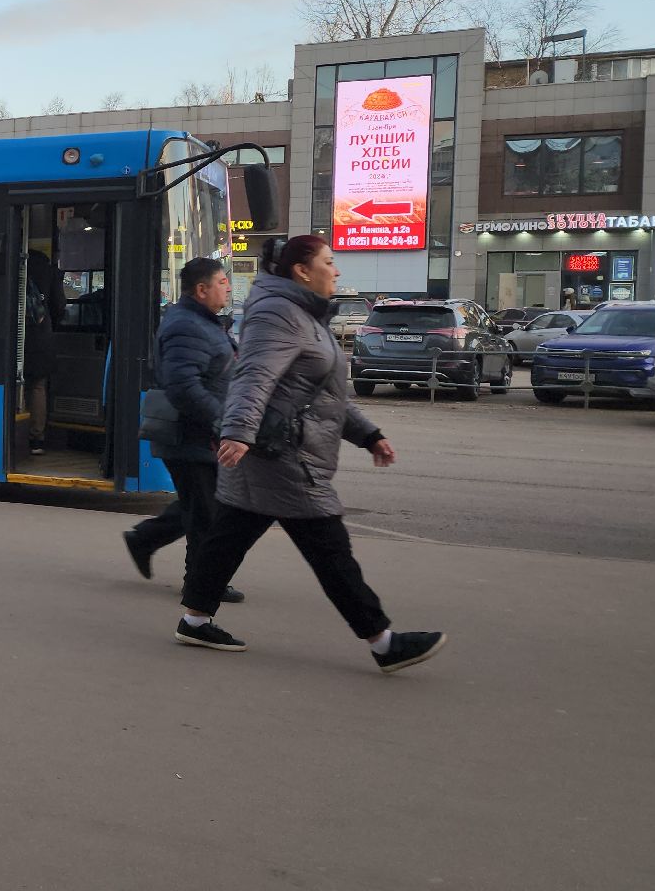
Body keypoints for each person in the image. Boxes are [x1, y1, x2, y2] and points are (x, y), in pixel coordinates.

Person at [175, 235, 447, 674]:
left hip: (275, 448)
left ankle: (194, 620)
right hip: (284, 454)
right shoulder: (278, 314)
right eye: (328, 261)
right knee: (329, 549)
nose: (336, 270)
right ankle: (383, 642)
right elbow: (253, 376)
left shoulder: (304, 315)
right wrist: (238, 432)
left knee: (229, 537)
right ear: (302, 271)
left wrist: (368, 434)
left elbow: (324, 394)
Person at [123, 257, 244, 603]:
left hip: (201, 434)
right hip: (191, 435)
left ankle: (145, 539)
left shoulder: (202, 321)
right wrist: (222, 421)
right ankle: (201, 586)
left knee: (203, 506)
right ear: (202, 289)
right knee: (207, 514)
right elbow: (183, 387)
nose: (228, 288)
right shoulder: (186, 326)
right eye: (222, 282)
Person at [22, 250, 63, 457]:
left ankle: (13, 432)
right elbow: (59, 306)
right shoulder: (49, 271)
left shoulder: (15, 264)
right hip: (41, 336)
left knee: (15, 385)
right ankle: (36, 438)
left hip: (15, 337)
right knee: (38, 386)